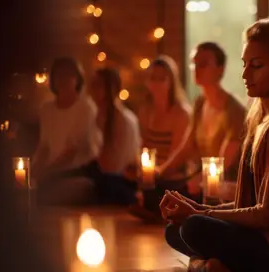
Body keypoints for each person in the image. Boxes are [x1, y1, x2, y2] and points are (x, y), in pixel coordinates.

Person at [160, 17, 269, 272]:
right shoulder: (264, 120)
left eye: (257, 65)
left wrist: (198, 215)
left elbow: (268, 215)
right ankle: (214, 267)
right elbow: (245, 204)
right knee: (175, 230)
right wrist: (198, 208)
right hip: (261, 235)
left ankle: (207, 267)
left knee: (193, 228)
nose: (245, 75)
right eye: (245, 64)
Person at [157, 42, 247, 201]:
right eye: (194, 63)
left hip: (226, 189)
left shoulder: (235, 111)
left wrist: (200, 179)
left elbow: (224, 162)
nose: (197, 68)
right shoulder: (200, 103)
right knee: (157, 188)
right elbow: (186, 147)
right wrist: (160, 173)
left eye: (204, 64)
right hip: (199, 182)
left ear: (220, 69)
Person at [129, 55, 194, 221]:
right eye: (153, 78)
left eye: (162, 79)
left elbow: (176, 158)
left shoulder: (181, 114)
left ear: (171, 82)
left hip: (172, 178)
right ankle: (150, 205)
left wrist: (156, 172)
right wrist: (142, 169)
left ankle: (155, 208)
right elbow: (142, 147)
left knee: (162, 189)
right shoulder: (145, 111)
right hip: (152, 176)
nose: (157, 83)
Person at [32, 57, 102, 205]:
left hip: (77, 174)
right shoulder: (46, 109)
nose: (63, 80)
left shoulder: (86, 108)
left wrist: (46, 172)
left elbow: (72, 151)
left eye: (68, 75)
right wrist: (32, 170)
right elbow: (44, 146)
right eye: (59, 75)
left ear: (77, 79)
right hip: (49, 174)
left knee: (46, 199)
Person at [89, 67, 141, 205]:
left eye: (98, 84)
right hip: (105, 176)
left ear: (110, 88)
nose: (92, 88)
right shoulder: (98, 115)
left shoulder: (123, 120)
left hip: (120, 181)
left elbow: (114, 165)